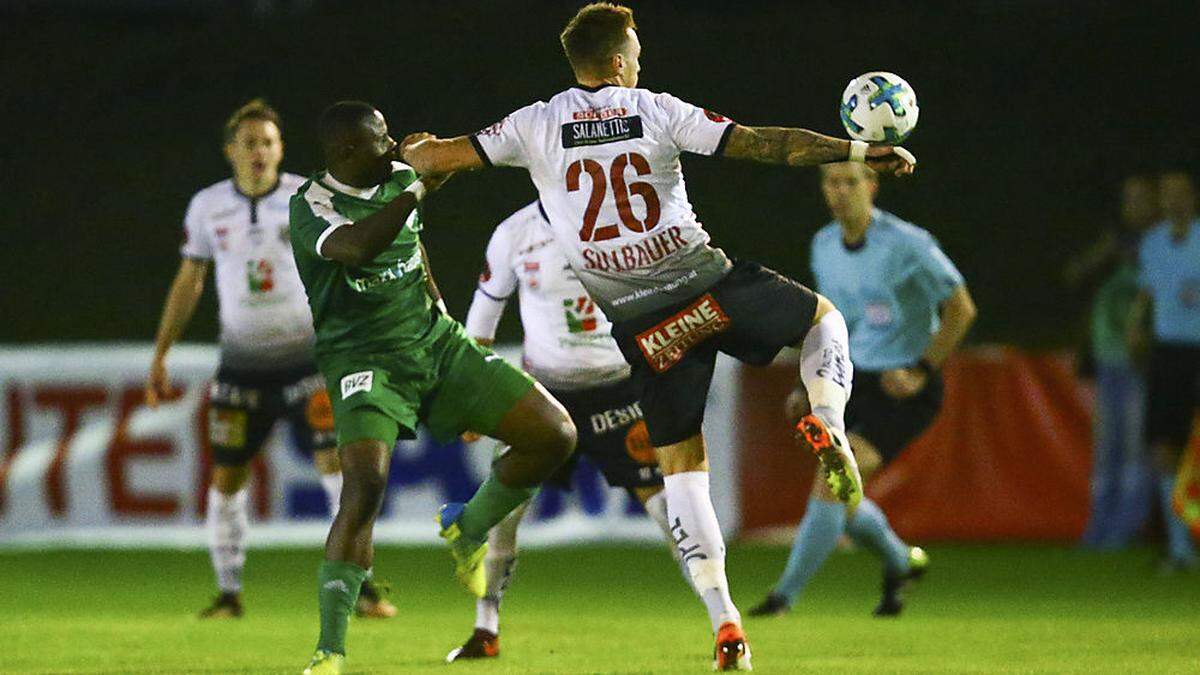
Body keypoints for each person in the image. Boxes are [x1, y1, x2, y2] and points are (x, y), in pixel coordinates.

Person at [401, 3, 915, 669]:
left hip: (645, 329)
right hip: (707, 285)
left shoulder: (533, 124)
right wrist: (855, 149)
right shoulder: (655, 108)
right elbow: (766, 142)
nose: (640, 63)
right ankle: (828, 418)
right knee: (824, 323)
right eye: (635, 53)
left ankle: (727, 623)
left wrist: (410, 148)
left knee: (682, 475)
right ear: (618, 61)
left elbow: (438, 156)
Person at [290, 102, 577, 675]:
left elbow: (414, 252)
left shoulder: (398, 179)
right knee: (365, 488)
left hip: (436, 344)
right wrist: (419, 188)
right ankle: (329, 650)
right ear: (346, 152)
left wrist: (444, 313)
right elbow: (359, 246)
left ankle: (467, 528)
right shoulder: (310, 205)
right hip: (364, 360)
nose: (392, 143)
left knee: (554, 434)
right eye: (381, 138)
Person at [144, 99, 394, 621]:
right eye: (250, 142)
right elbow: (190, 280)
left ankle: (362, 587)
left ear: (281, 150)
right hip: (241, 368)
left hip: (309, 362)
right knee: (227, 478)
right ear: (230, 151)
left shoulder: (307, 197)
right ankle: (229, 593)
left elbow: (345, 263)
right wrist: (162, 352)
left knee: (339, 469)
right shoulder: (208, 206)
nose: (259, 151)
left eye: (268, 142)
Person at [446, 201, 686, 662]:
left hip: (619, 392)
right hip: (544, 397)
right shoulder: (515, 232)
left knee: (669, 510)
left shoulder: (628, 222)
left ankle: (725, 623)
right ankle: (485, 628)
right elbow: (480, 327)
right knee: (504, 516)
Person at [749, 162, 976, 618]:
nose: (840, 191)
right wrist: (804, 380)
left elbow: (961, 309)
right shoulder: (824, 245)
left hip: (906, 387)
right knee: (845, 493)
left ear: (871, 185)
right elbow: (832, 322)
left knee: (836, 474)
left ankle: (783, 598)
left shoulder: (909, 244)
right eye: (831, 182)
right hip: (856, 380)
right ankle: (899, 562)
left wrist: (921, 369)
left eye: (850, 181)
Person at [1068, 175, 1159, 550]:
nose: (1132, 206)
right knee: (1108, 449)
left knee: (1137, 448)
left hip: (1143, 362)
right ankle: (1099, 529)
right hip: (1108, 358)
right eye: (1128, 199)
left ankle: (1127, 530)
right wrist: (1102, 256)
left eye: (1140, 199)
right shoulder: (1115, 246)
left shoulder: (1161, 244)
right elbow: (1073, 276)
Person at [1128, 170, 1200, 573]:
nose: (1174, 201)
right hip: (1169, 352)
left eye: (1181, 193)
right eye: (1167, 195)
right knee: (1163, 446)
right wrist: (1136, 325)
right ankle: (1179, 549)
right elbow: (1147, 291)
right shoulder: (1153, 243)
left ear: (1193, 197)